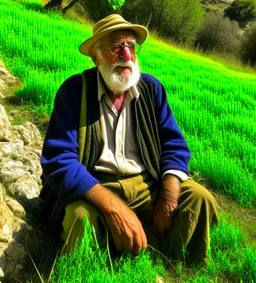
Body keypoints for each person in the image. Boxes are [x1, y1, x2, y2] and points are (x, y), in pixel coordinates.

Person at [39, 14, 219, 263]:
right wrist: (114, 207)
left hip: (148, 184)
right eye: (115, 46)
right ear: (96, 56)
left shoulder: (151, 89)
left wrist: (167, 196)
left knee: (199, 198)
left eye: (131, 45)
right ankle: (104, 267)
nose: (126, 54)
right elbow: (59, 160)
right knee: (80, 218)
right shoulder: (74, 91)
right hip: (96, 186)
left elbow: (174, 145)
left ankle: (170, 263)